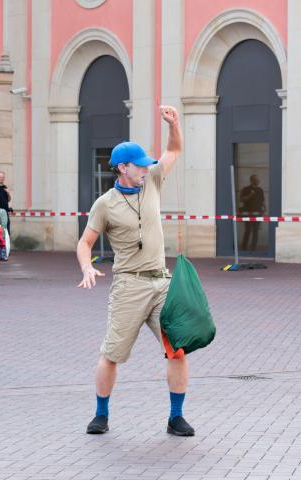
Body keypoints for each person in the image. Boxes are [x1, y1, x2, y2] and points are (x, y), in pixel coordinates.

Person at [76, 106, 194, 437]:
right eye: (139, 164)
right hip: (129, 286)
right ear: (123, 168)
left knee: (177, 350)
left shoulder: (153, 180)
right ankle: (101, 414)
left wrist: (175, 124)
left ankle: (176, 417)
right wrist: (87, 267)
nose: (146, 168)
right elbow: (85, 242)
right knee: (112, 354)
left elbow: (174, 150)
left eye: (146, 164)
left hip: (161, 282)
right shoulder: (105, 204)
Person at [239, 174, 265, 251]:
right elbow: (241, 200)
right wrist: (250, 195)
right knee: (247, 230)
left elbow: (262, 201)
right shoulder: (246, 189)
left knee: (256, 231)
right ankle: (244, 246)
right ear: (251, 180)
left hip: (258, 213)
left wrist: (265, 209)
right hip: (248, 213)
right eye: (255, 180)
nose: (257, 181)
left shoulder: (260, 190)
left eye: (258, 180)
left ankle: (253, 247)